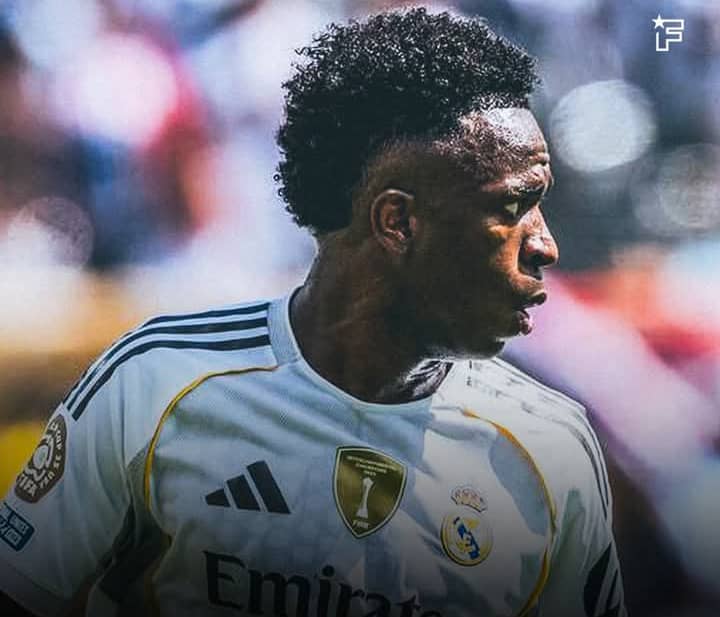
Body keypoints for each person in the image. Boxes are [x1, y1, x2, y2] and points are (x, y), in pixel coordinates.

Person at [0, 9, 625, 617]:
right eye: (514, 207)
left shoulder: (552, 450)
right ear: (399, 222)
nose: (546, 245)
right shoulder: (156, 385)